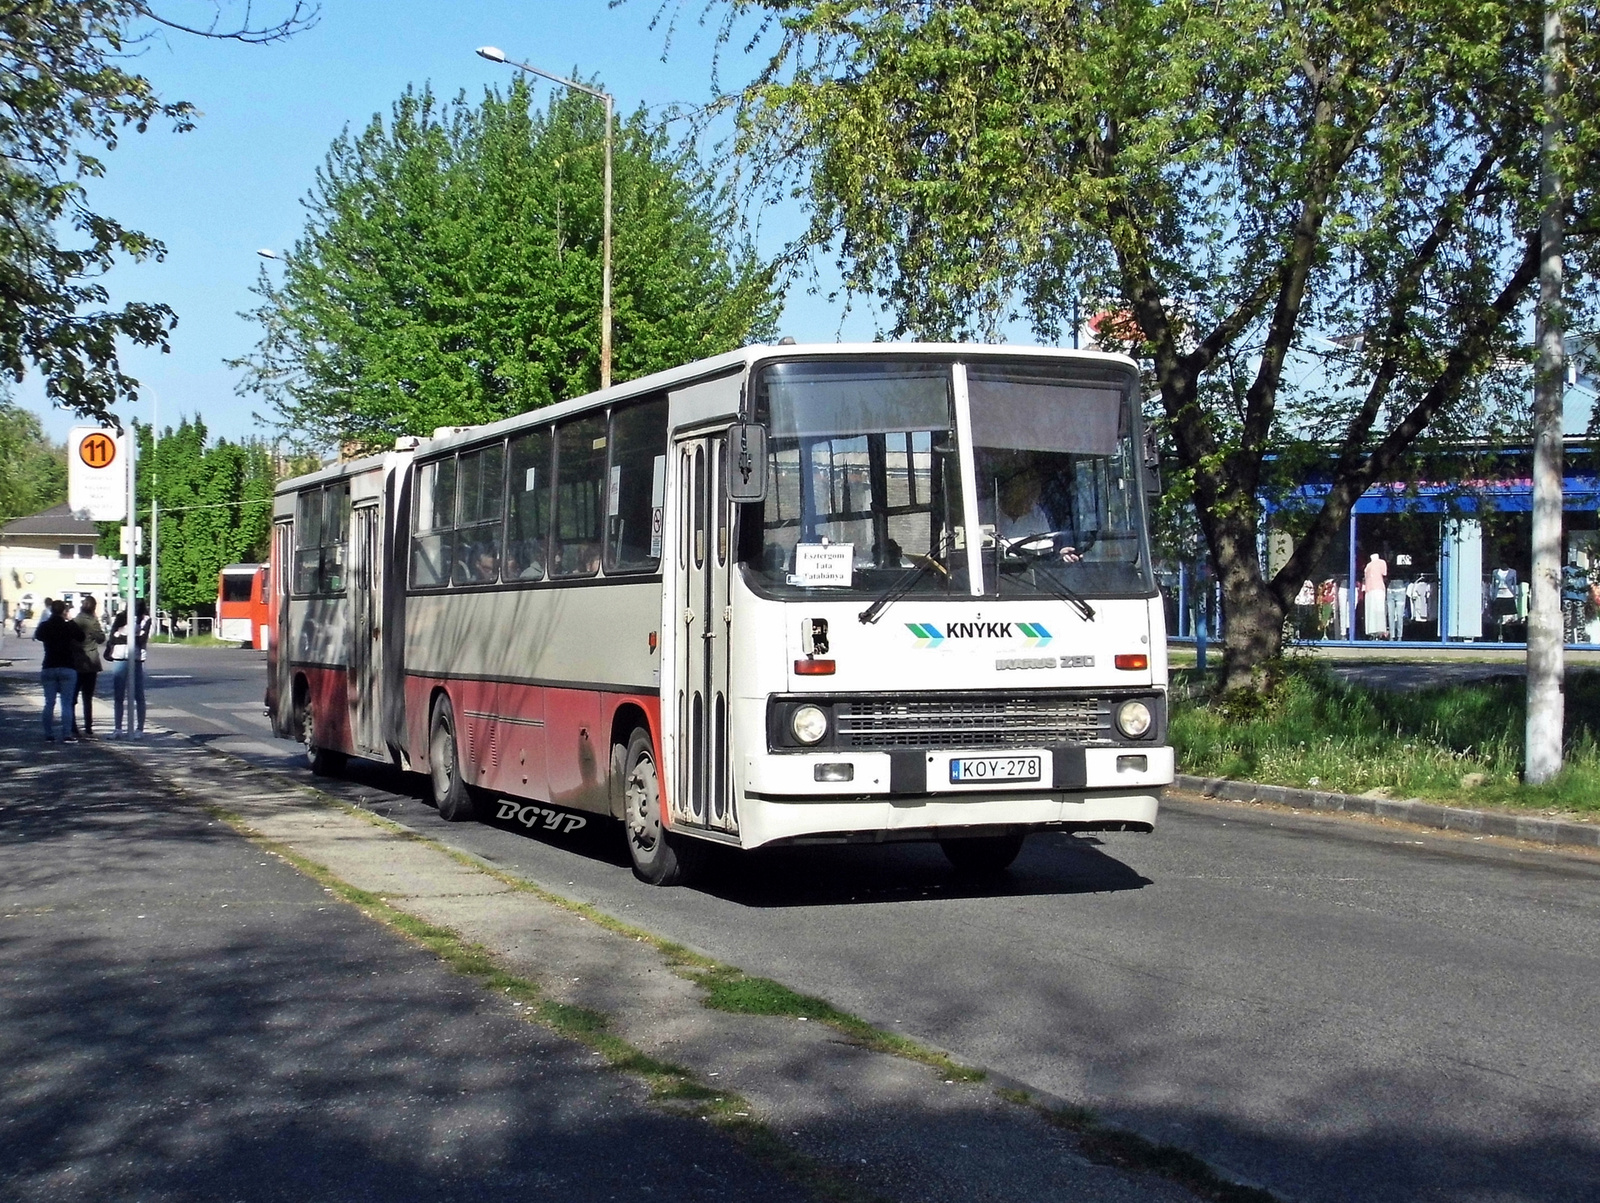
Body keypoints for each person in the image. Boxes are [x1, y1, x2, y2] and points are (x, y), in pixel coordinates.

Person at [34, 600, 83, 743]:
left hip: (49, 665)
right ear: (64, 611)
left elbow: (38, 635)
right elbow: (81, 637)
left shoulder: (45, 626)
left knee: (49, 703)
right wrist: (70, 620)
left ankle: (48, 734)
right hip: (67, 666)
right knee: (66, 703)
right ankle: (67, 734)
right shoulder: (68, 626)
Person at [108, 600, 151, 738]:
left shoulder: (145, 619)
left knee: (139, 695)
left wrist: (122, 635)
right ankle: (118, 728)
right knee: (118, 695)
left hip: (137, 659)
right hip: (119, 658)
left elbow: (141, 640)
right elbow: (112, 639)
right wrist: (130, 637)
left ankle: (139, 729)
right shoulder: (120, 617)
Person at [71, 596, 107, 739]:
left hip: (75, 662)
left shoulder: (74, 621)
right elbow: (101, 638)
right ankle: (88, 727)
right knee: (88, 697)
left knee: (72, 697)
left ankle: (73, 726)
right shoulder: (93, 622)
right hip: (90, 663)